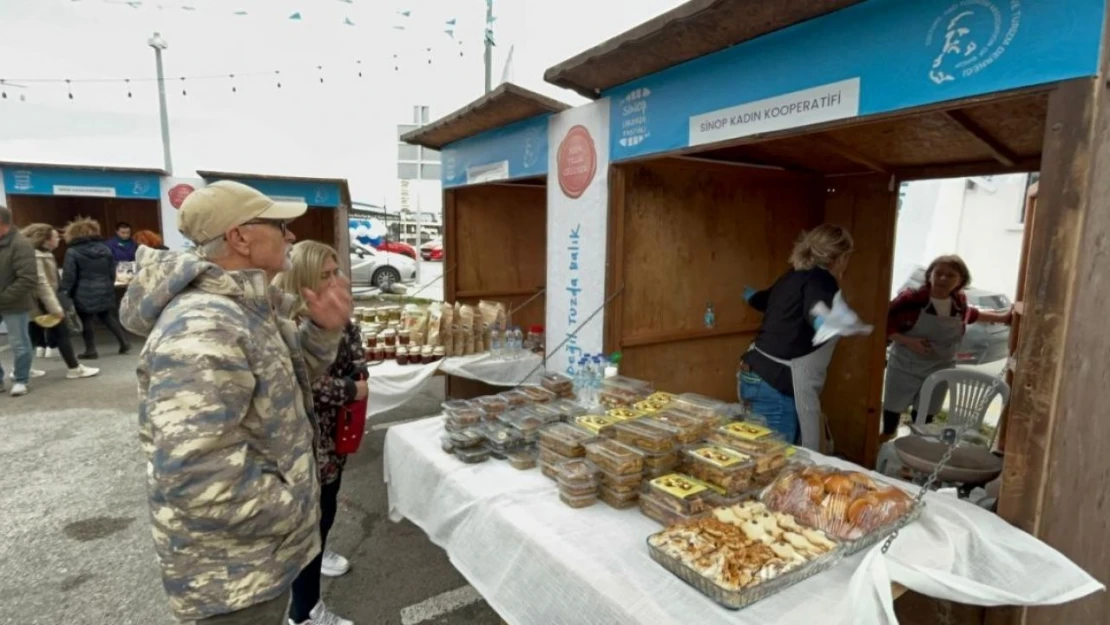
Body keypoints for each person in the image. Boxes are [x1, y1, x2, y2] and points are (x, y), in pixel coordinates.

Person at [118, 180, 351, 625]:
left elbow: (282, 390)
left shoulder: (245, 307)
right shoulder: (203, 324)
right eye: (280, 225)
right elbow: (196, 473)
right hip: (231, 577)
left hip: (258, 556)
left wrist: (322, 331)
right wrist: (293, 509)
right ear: (239, 237)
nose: (290, 236)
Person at [275, 241, 364, 625]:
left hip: (333, 439)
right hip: (301, 444)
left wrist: (350, 382)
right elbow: (302, 385)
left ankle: (319, 550)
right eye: (322, 276)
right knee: (306, 523)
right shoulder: (285, 323)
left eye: (335, 272)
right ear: (302, 281)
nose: (333, 281)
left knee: (325, 512)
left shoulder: (340, 314)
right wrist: (350, 389)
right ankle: (305, 613)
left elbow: (360, 365)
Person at [738, 224, 855, 449]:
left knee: (758, 452)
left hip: (753, 373)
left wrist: (748, 294)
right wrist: (829, 322)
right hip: (776, 382)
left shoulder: (792, 276)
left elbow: (761, 300)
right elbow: (815, 311)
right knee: (775, 459)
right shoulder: (822, 280)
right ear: (841, 257)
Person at [882, 255, 1013, 438]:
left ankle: (915, 445)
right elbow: (883, 324)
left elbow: (971, 314)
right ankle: (887, 438)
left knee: (925, 415)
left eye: (950, 275)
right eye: (939, 273)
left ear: (961, 281)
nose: (943, 278)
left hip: (940, 367)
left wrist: (1002, 318)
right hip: (905, 364)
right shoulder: (911, 299)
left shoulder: (958, 302)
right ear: (930, 275)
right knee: (892, 409)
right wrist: (909, 342)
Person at [21, 224, 101, 380]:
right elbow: (42, 284)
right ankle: (74, 368)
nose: (59, 239)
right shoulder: (38, 257)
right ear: (45, 240)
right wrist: (55, 307)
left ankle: (23, 368)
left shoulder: (36, 254)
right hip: (44, 303)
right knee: (61, 334)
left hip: (36, 304)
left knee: (33, 336)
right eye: (55, 236)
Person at [60, 217, 132, 358]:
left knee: (86, 320)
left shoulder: (72, 252)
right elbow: (112, 271)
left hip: (82, 291)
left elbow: (69, 275)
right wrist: (108, 284)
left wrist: (64, 292)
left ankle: (91, 350)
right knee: (107, 317)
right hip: (104, 287)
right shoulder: (105, 249)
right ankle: (124, 343)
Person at [0, 204, 38, 397]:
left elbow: (28, 278)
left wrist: (3, 298)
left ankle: (21, 379)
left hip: (14, 303)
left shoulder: (20, 244)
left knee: (19, 343)